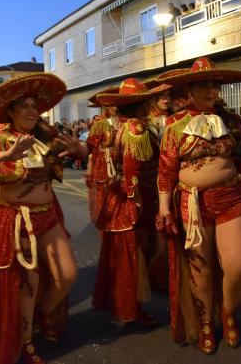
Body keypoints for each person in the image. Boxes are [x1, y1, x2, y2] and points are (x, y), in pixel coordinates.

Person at [0, 73, 87, 364]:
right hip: (19, 220)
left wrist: (83, 150)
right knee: (28, 285)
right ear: (11, 111)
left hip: (48, 216)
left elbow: (75, 151)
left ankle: (45, 312)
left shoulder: (44, 136)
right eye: (24, 106)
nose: (32, 110)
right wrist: (7, 153)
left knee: (68, 274)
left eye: (34, 105)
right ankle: (27, 340)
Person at [157, 57, 241, 354]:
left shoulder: (232, 121)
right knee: (201, 269)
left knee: (239, 264)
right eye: (204, 85)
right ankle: (206, 322)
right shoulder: (175, 125)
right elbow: (166, 170)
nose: (212, 90)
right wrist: (163, 208)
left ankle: (227, 310)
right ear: (190, 89)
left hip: (230, 198)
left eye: (215, 85)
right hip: (192, 202)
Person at [92, 78, 170, 324]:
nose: (151, 104)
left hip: (123, 196)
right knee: (135, 254)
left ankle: (124, 305)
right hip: (136, 199)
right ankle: (130, 308)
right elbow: (131, 168)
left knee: (129, 254)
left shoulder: (121, 125)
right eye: (147, 100)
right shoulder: (136, 127)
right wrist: (136, 198)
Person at [85, 91, 118, 224]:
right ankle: (106, 217)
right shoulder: (99, 123)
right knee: (104, 192)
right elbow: (91, 147)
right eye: (113, 105)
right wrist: (89, 168)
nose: (116, 108)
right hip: (103, 162)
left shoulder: (124, 121)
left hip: (119, 161)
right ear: (107, 106)